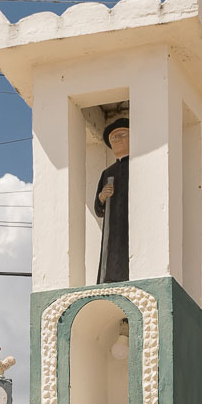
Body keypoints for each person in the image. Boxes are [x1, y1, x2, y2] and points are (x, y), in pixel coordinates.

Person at [93, 118, 130, 283]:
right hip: (112, 224)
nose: (117, 140)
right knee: (111, 253)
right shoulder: (107, 173)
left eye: (122, 134)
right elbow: (98, 209)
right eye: (113, 138)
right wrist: (102, 196)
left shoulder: (137, 165)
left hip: (131, 220)